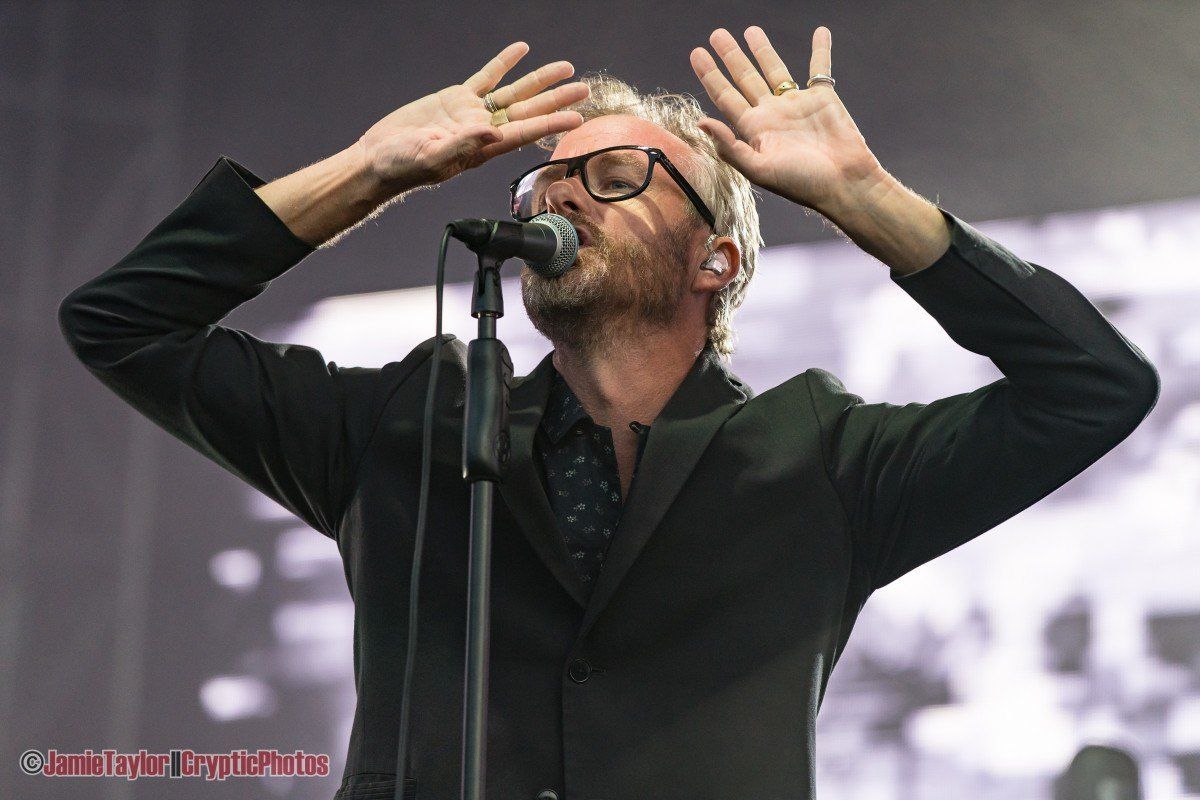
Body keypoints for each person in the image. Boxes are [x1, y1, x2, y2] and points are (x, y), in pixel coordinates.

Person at [58, 25, 1159, 800]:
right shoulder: (406, 424)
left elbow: (1095, 386)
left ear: (716, 260)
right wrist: (369, 170)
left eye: (617, 174)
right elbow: (122, 323)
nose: (561, 192)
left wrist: (867, 200)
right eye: (544, 181)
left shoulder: (820, 459)